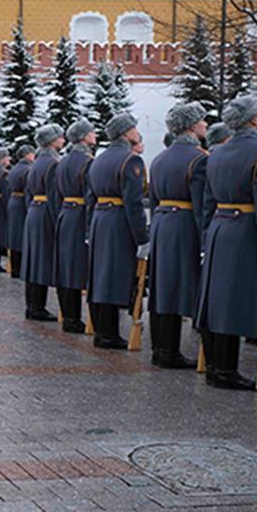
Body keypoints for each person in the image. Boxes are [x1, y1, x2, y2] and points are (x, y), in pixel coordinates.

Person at [196, 96, 257, 389]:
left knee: (217, 299)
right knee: (235, 300)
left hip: (219, 229)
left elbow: (207, 203)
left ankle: (216, 365)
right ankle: (225, 370)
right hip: (245, 231)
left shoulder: (216, 152)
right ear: (253, 119)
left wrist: (206, 240)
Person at [147, 102, 208, 369]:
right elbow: (202, 205)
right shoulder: (199, 158)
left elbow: (152, 199)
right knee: (177, 287)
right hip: (184, 224)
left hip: (162, 223)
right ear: (192, 126)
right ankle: (170, 352)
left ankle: (160, 348)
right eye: (202, 121)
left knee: (162, 287)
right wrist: (205, 241)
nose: (205, 125)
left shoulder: (160, 157)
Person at [86, 112, 149, 349]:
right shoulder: (130, 160)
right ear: (125, 132)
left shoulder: (98, 159)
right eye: (133, 127)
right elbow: (133, 203)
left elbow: (90, 197)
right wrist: (142, 237)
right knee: (114, 275)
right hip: (118, 221)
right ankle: (109, 333)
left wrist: (89, 227)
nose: (136, 131)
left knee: (101, 275)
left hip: (100, 220)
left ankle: (102, 329)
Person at [55, 119, 96, 334]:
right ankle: (75, 319)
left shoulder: (62, 161)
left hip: (65, 214)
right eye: (91, 132)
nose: (95, 135)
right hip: (80, 216)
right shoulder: (88, 162)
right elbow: (91, 195)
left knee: (66, 266)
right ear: (83, 137)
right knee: (81, 267)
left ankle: (68, 315)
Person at [21, 125, 65, 320]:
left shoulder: (37, 162)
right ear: (51, 141)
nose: (63, 140)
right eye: (59, 137)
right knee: (42, 261)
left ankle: (32, 304)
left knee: (34, 259)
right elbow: (55, 195)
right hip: (46, 211)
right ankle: (37, 307)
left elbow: (28, 192)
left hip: (34, 211)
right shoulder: (53, 163)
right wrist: (58, 222)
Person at [7, 144, 35, 279]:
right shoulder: (27, 170)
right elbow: (27, 190)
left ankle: (14, 267)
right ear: (27, 155)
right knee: (21, 237)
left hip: (13, 201)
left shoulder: (13, 169)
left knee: (14, 236)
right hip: (22, 203)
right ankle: (19, 269)